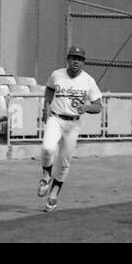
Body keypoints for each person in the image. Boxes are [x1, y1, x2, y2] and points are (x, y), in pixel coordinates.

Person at [38, 45, 102, 212]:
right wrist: (46, 105)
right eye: (73, 58)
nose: (76, 61)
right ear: (68, 59)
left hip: (73, 123)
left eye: (80, 59)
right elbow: (49, 89)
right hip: (56, 118)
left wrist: (86, 108)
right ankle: (46, 176)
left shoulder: (89, 81)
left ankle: (53, 195)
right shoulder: (56, 74)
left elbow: (98, 106)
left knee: (65, 162)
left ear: (83, 63)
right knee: (47, 148)